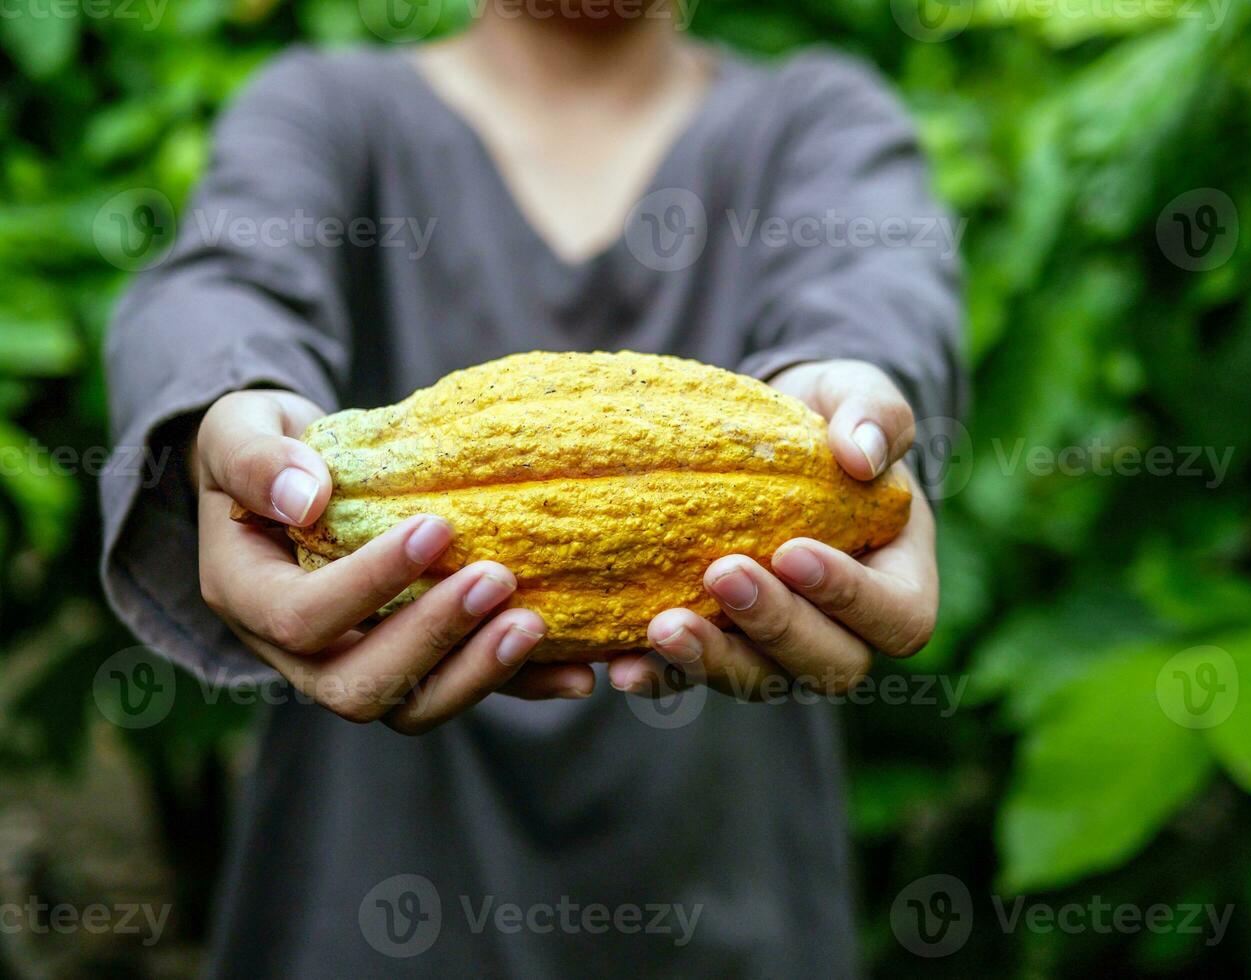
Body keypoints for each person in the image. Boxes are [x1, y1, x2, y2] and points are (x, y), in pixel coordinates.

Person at [100, 1, 963, 975]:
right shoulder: (328, 108)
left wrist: (856, 394)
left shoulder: (819, 118)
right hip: (367, 905)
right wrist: (232, 403)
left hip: (722, 901)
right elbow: (217, 284)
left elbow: (880, 293)